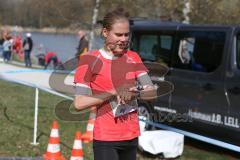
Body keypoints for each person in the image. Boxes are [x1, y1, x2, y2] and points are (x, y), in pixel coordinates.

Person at [74, 8, 157, 160]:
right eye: (118, 34)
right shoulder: (89, 60)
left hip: (131, 136)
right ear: (105, 32)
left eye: (126, 34)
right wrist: (113, 92)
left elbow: (152, 93)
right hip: (106, 139)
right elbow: (79, 103)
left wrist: (136, 93)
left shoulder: (133, 57)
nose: (124, 39)